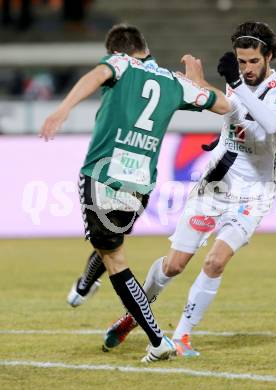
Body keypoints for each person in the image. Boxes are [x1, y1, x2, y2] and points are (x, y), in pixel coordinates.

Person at [71, 21, 276, 356]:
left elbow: (271, 122)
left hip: (254, 195)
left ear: (270, 56)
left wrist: (236, 84)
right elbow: (226, 105)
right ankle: (136, 313)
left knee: (215, 261)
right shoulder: (238, 86)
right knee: (174, 265)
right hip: (214, 187)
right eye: (241, 61)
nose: (247, 69)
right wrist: (199, 83)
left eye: (253, 62)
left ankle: (183, 336)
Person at [40, 23, 230, 363]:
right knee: (111, 241)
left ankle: (157, 341)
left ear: (118, 51)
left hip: (103, 175)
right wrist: (198, 81)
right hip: (141, 184)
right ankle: (85, 285)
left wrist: (63, 108)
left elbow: (97, 74)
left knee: (114, 257)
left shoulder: (120, 64)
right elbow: (223, 105)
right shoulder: (174, 82)